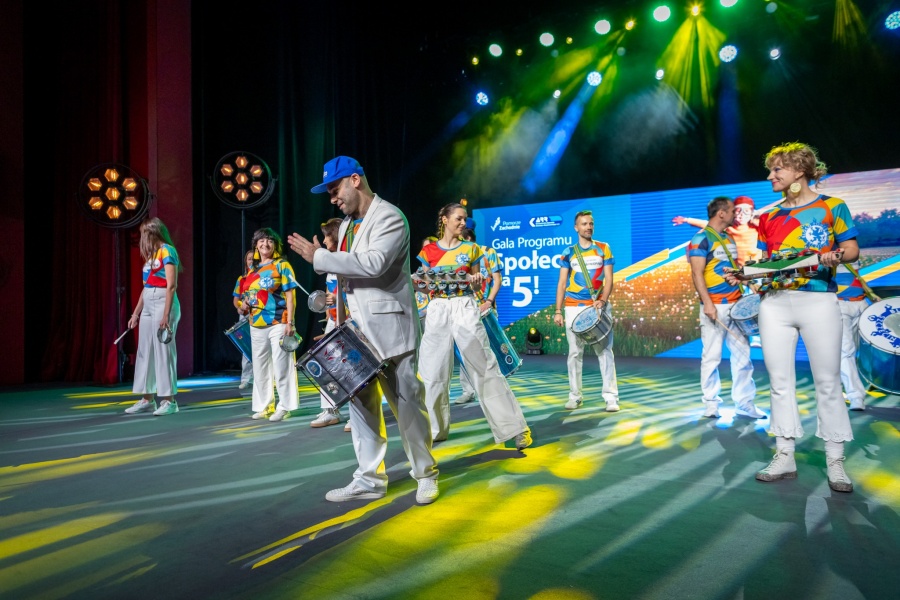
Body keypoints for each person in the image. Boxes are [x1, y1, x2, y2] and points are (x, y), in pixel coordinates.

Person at [287, 155, 439, 504]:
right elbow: (346, 278)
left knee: (407, 406)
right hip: (354, 332)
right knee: (361, 408)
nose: (332, 198)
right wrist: (336, 319)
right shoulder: (345, 226)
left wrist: (318, 257)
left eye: (335, 189)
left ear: (355, 180)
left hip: (391, 330)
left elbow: (373, 264)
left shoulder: (390, 217)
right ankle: (369, 480)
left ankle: (425, 474)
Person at [727, 142, 859, 493]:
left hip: (818, 301)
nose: (770, 176)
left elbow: (851, 249)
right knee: (779, 381)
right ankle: (784, 454)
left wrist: (835, 256)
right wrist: (744, 274)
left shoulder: (832, 206)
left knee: (828, 381)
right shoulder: (768, 217)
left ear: (799, 170)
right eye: (770, 170)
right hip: (774, 303)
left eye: (777, 169)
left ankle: (835, 460)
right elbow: (769, 264)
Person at [417, 204, 532, 450]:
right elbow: (426, 287)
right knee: (432, 371)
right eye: (458, 219)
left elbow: (477, 286)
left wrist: (477, 282)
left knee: (485, 367)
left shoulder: (472, 249)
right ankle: (434, 430)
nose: (463, 223)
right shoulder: (428, 251)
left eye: (465, 219)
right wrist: (420, 283)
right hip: (438, 308)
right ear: (445, 219)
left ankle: (515, 428)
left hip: (465, 306)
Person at [687, 197, 765, 420]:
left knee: (743, 357)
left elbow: (732, 269)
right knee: (711, 357)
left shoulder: (728, 238)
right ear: (721, 213)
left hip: (736, 305)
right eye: (732, 211)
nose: (735, 215)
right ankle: (711, 403)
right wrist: (708, 303)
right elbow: (696, 274)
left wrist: (748, 282)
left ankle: (744, 403)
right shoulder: (700, 239)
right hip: (715, 307)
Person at [553, 210, 620, 412]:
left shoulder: (603, 248)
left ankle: (611, 397)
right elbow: (562, 283)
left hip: (597, 306)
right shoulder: (568, 252)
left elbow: (609, 279)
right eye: (584, 224)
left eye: (591, 223)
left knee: (605, 351)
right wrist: (558, 310)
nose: (588, 227)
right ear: (576, 228)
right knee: (575, 353)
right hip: (573, 307)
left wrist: (602, 300)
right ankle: (575, 396)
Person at [239, 228, 300, 422]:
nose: (265, 244)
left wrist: (290, 322)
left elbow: (291, 296)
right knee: (260, 368)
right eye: (262, 241)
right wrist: (245, 304)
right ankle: (264, 406)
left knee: (282, 366)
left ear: (276, 245)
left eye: (270, 241)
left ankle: (284, 406)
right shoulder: (253, 270)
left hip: (278, 322)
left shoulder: (282, 265)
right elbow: (248, 296)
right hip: (256, 324)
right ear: (256, 245)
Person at [124, 217, 182, 416]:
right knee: (145, 351)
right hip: (149, 301)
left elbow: (171, 285)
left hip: (163, 301)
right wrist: (136, 313)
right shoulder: (152, 255)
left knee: (163, 351)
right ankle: (147, 399)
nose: (142, 238)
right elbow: (146, 286)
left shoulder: (167, 251)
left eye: (144, 234)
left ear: (153, 233)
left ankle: (169, 401)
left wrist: (166, 314)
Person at [454, 227, 503, 405]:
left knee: (489, 351)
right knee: (464, 348)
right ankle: (468, 390)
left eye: (460, 240)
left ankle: (495, 390)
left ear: (467, 238)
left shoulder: (488, 252)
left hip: (485, 307)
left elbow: (497, 280)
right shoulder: (456, 257)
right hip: (464, 308)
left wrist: (488, 301)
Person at [309, 217, 349, 429]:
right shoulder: (330, 263)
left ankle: (358, 414)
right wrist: (327, 308)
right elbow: (329, 290)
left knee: (353, 367)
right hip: (334, 320)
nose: (324, 241)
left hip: (353, 322)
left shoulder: (349, 260)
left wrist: (341, 299)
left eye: (326, 236)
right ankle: (330, 410)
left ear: (336, 236)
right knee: (327, 365)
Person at [835, 263, 878, 411]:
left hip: (861, 302)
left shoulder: (851, 252)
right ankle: (856, 396)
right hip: (839, 305)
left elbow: (855, 275)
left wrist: (870, 293)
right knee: (846, 351)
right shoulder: (824, 251)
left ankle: (836, 388)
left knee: (863, 348)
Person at [673, 195, 762, 266]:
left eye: (746, 211)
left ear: (752, 212)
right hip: (739, 272)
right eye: (738, 211)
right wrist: (686, 220)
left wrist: (758, 219)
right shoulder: (728, 228)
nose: (742, 215)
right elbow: (707, 224)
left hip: (756, 269)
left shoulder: (757, 227)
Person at [232, 250, 255, 391]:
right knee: (246, 348)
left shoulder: (262, 276)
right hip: (245, 316)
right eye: (249, 259)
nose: (251, 261)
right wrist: (239, 307)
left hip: (259, 315)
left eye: (254, 259)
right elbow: (236, 299)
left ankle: (262, 379)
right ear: (246, 262)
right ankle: (246, 379)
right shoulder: (242, 279)